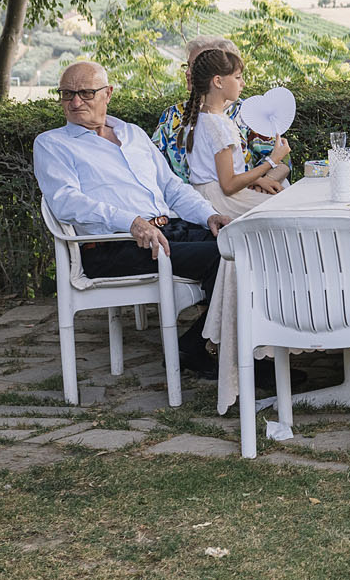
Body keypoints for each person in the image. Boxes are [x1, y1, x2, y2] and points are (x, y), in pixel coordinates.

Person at [33, 60, 231, 378]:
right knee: (223, 259)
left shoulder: (133, 134)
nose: (74, 102)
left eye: (85, 92)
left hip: (167, 231)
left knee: (244, 246)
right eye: (67, 94)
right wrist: (131, 221)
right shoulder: (52, 144)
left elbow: (171, 187)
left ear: (108, 93)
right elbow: (67, 202)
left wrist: (209, 215)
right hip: (114, 246)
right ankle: (215, 352)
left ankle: (202, 347)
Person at [180, 47, 291, 218]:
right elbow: (229, 185)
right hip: (222, 201)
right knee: (289, 207)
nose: (243, 83)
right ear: (218, 81)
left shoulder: (201, 117)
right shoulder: (218, 126)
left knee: (284, 192)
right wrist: (272, 160)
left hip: (205, 195)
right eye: (238, 77)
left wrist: (257, 179)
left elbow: (215, 171)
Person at [153, 36, 271, 182]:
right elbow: (153, 162)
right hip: (181, 200)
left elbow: (278, 161)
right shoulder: (172, 116)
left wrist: (264, 184)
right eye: (188, 65)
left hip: (240, 193)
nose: (188, 72)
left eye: (197, 66)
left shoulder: (249, 113)